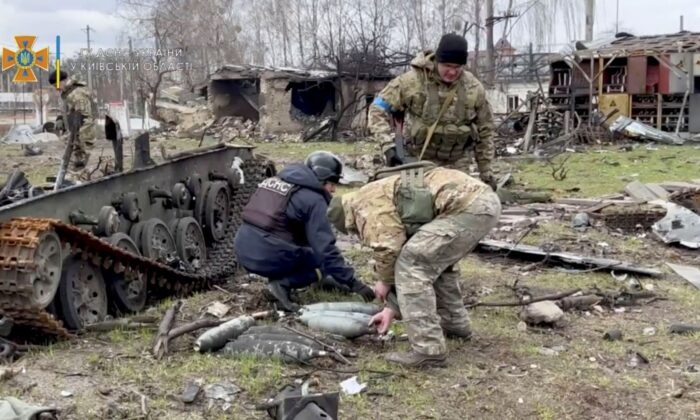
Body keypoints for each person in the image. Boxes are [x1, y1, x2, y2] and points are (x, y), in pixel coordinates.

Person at [327, 163, 502, 367]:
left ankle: (428, 350)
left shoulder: (364, 204)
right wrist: (391, 308)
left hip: (467, 207)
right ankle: (455, 326)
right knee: (432, 262)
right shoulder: (380, 190)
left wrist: (384, 281)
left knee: (412, 265)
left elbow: (389, 246)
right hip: (480, 202)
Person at [234, 151, 375, 311]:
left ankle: (316, 278)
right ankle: (281, 284)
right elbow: (326, 250)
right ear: (322, 178)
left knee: (305, 246)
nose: (334, 189)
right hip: (268, 256)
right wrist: (354, 284)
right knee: (323, 261)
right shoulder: (313, 200)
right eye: (332, 183)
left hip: (243, 250)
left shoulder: (275, 180)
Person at [367, 33, 497, 189]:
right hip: (416, 161)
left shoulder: (474, 88)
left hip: (456, 164)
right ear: (437, 61)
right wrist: (388, 146)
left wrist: (486, 172)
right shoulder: (411, 81)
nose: (452, 72)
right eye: (447, 66)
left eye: (457, 67)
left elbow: (486, 130)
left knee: (457, 206)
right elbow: (377, 108)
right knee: (414, 208)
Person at [48, 70, 96, 170]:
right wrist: (60, 118)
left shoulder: (77, 93)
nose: (56, 88)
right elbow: (69, 111)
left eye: (56, 85)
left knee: (80, 168)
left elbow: (86, 119)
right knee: (73, 167)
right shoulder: (67, 94)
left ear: (64, 81)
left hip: (82, 139)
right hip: (74, 137)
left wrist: (80, 142)